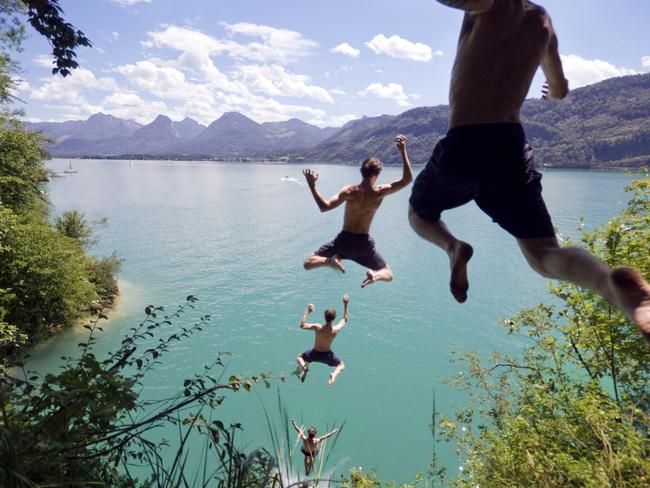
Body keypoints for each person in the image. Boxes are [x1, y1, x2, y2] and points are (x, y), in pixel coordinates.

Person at [408, 0, 650, 343]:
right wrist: (553, 94)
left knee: (419, 213)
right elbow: (561, 88)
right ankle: (608, 282)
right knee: (543, 253)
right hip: (510, 145)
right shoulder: (543, 21)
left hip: (466, 139)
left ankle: (452, 247)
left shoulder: (488, 4)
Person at [303, 135, 413, 287]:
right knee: (388, 274)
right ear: (377, 174)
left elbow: (324, 207)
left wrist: (312, 185)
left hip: (343, 241)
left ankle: (329, 262)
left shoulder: (350, 191)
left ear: (362, 171)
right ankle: (374, 275)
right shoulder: (380, 192)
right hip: (363, 244)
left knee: (308, 262)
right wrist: (402, 151)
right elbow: (407, 179)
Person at [296, 295, 349, 387]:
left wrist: (308, 311)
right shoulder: (336, 329)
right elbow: (345, 319)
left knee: (300, 358)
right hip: (327, 355)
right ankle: (334, 375)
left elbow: (302, 325)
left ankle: (304, 367)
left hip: (314, 353)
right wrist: (345, 305)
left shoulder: (318, 327)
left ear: (324, 316)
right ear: (334, 318)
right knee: (341, 365)